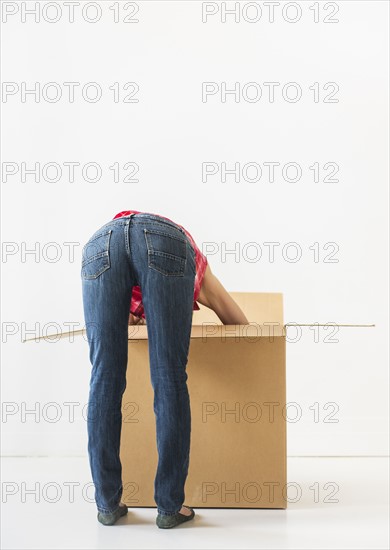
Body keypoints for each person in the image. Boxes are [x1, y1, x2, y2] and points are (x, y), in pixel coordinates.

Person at [81, 210, 248, 529]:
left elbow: (122, 326)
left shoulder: (130, 299)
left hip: (100, 243)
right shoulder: (195, 267)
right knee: (169, 375)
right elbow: (238, 320)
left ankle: (107, 505)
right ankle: (170, 507)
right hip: (164, 240)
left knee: (104, 377)